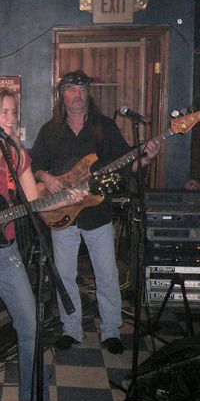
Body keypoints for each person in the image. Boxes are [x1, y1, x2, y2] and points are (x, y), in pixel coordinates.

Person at [0, 88, 85, 401]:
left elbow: (35, 202)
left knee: (31, 325)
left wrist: (68, 199)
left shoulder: (16, 155)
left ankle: (34, 398)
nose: (12, 119)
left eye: (14, 112)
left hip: (6, 251)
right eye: (5, 113)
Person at [30, 70, 160, 354]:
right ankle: (71, 328)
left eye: (82, 89)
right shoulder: (50, 130)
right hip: (62, 213)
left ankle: (111, 330)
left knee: (107, 274)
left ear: (88, 93)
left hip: (97, 212)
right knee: (65, 275)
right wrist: (47, 178)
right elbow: (34, 162)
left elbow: (126, 165)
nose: (77, 95)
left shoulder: (105, 128)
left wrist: (146, 158)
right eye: (71, 90)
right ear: (62, 95)